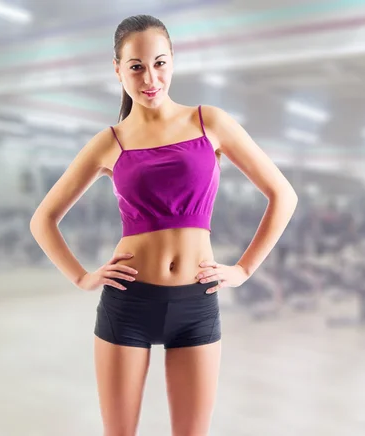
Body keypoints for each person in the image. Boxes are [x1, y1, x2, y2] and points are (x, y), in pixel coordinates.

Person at [29, 14, 298, 436]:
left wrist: (244, 269)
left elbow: (283, 195)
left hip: (197, 304)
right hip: (128, 304)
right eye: (135, 66)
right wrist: (82, 277)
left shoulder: (210, 123)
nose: (150, 77)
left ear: (173, 61)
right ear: (117, 69)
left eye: (159, 63)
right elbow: (43, 219)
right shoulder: (110, 141)